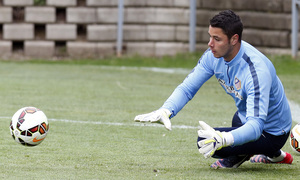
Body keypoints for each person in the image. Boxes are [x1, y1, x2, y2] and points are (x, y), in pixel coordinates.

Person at [134, 10, 293, 169]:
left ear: (234, 39)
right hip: (244, 118)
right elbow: (187, 88)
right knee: (237, 121)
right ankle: (275, 156)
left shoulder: (256, 71)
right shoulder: (213, 55)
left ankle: (263, 151)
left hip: (272, 133)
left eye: (217, 39)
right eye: (210, 36)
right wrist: (166, 110)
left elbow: (256, 127)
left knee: (205, 140)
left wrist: (223, 138)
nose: (210, 44)